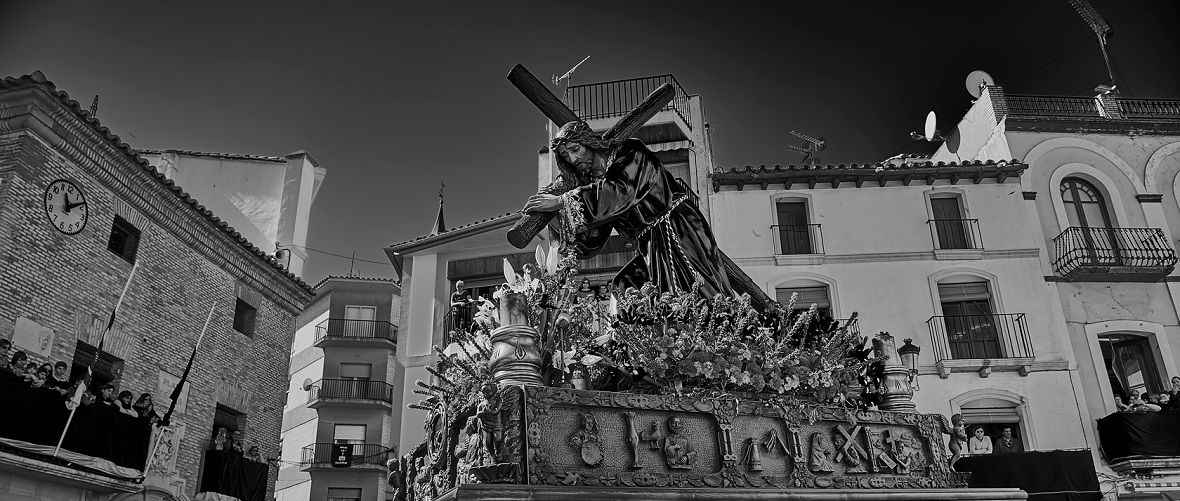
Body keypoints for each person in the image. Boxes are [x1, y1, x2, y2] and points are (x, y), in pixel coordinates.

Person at [524, 121, 732, 299]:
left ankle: (717, 340)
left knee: (697, 293)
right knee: (626, 287)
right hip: (649, 244)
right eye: (566, 155)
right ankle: (650, 345)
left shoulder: (630, 151)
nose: (573, 159)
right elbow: (593, 239)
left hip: (678, 228)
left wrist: (562, 200)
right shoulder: (595, 187)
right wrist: (554, 216)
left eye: (575, 149)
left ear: (588, 142)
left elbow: (622, 192)